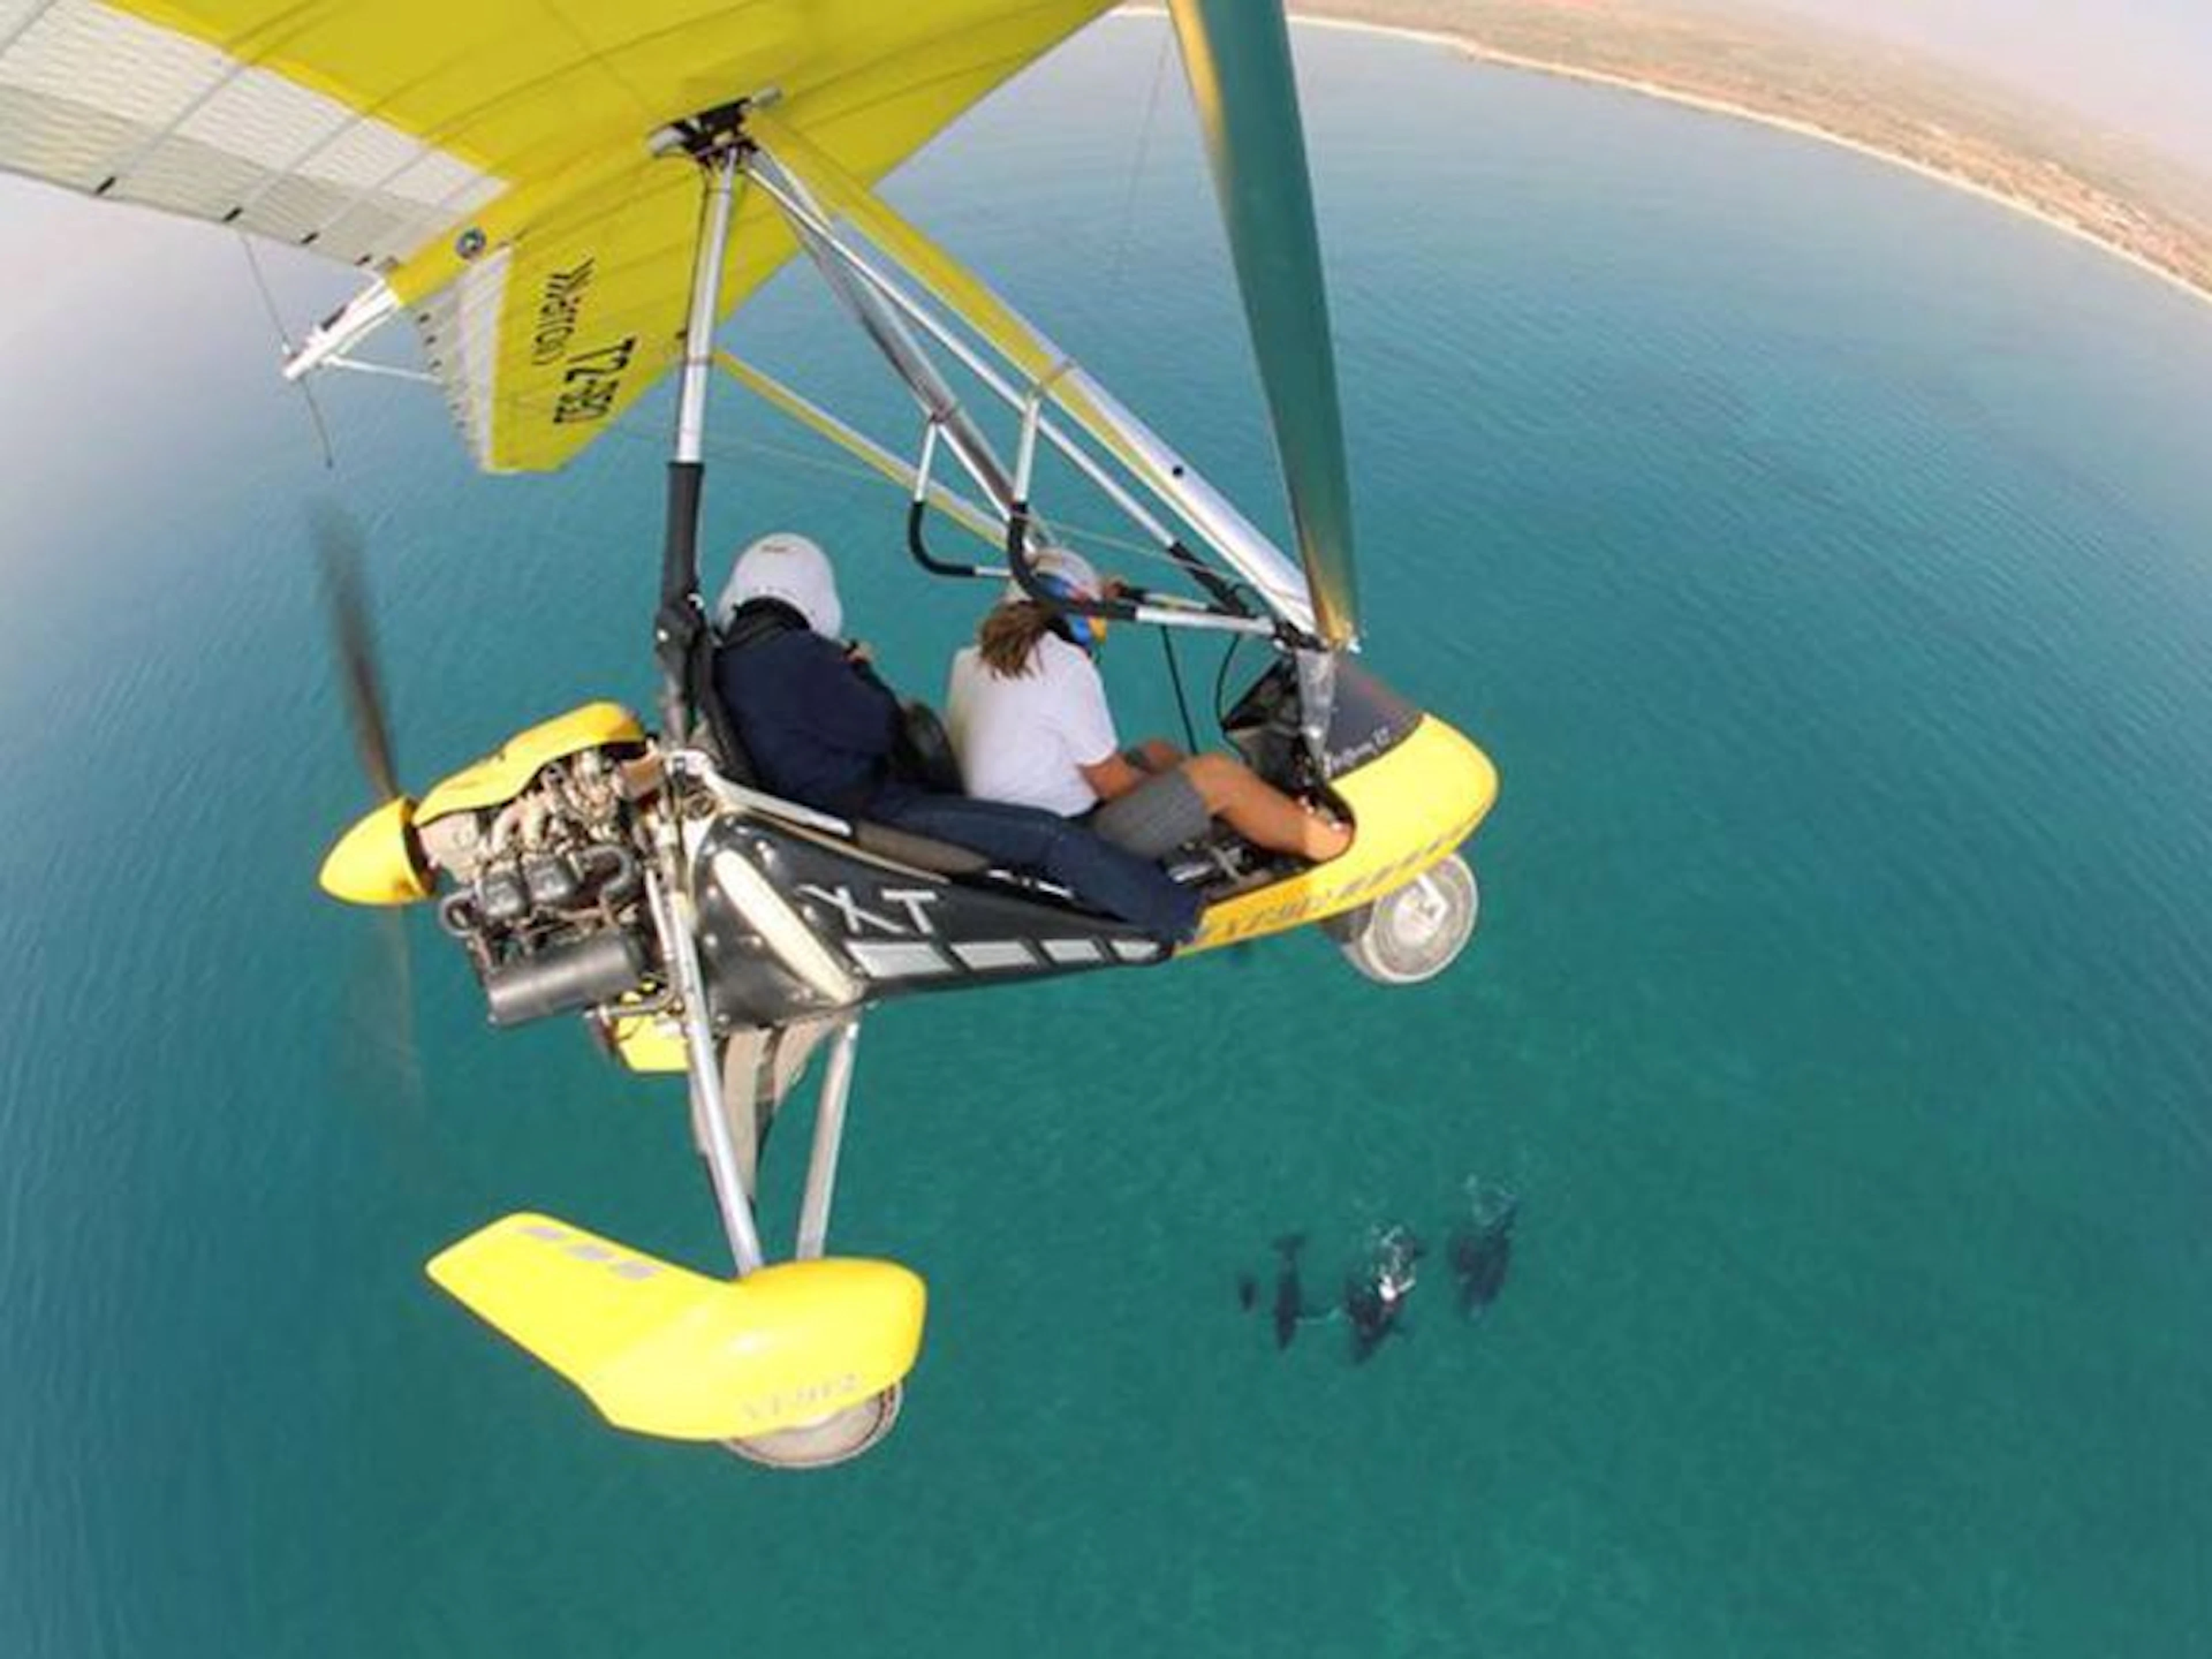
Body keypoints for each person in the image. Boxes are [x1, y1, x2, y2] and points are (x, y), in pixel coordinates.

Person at [709, 532, 1200, 942]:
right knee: (1049, 838)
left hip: (830, 801)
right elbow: (880, 727)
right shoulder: (798, 656)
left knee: (1074, 809)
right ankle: (1181, 915)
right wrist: (860, 671)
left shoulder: (734, 657)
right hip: (874, 808)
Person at [945, 550, 1351, 864]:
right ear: (1079, 613)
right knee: (1218, 777)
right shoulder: (1065, 668)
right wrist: (1199, 798)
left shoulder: (974, 658)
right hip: (1063, 839)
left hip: (1011, 823)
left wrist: (1180, 787)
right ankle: (1332, 845)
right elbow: (1112, 784)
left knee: (1161, 754)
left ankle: (1261, 822)